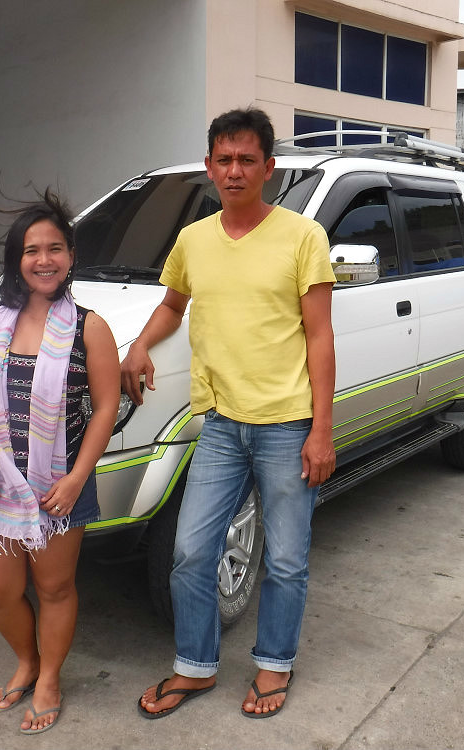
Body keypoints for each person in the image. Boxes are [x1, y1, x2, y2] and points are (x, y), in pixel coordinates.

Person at [122, 107, 336, 719]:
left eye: (247, 159)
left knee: (286, 559)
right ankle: (195, 667)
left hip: (286, 424)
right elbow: (173, 305)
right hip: (218, 425)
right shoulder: (193, 240)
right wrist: (139, 345)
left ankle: (274, 664)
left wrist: (321, 430)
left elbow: (320, 336)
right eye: (224, 159)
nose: (235, 170)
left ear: (269, 168)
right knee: (190, 552)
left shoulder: (303, 237)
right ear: (209, 167)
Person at [0, 190, 120, 734]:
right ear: (16, 259)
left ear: (71, 255)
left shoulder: (90, 327)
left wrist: (76, 479)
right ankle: (26, 660)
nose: (44, 260)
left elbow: (105, 409)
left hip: (58, 485)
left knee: (54, 589)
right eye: (32, 250)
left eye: (55, 248)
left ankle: (48, 678)